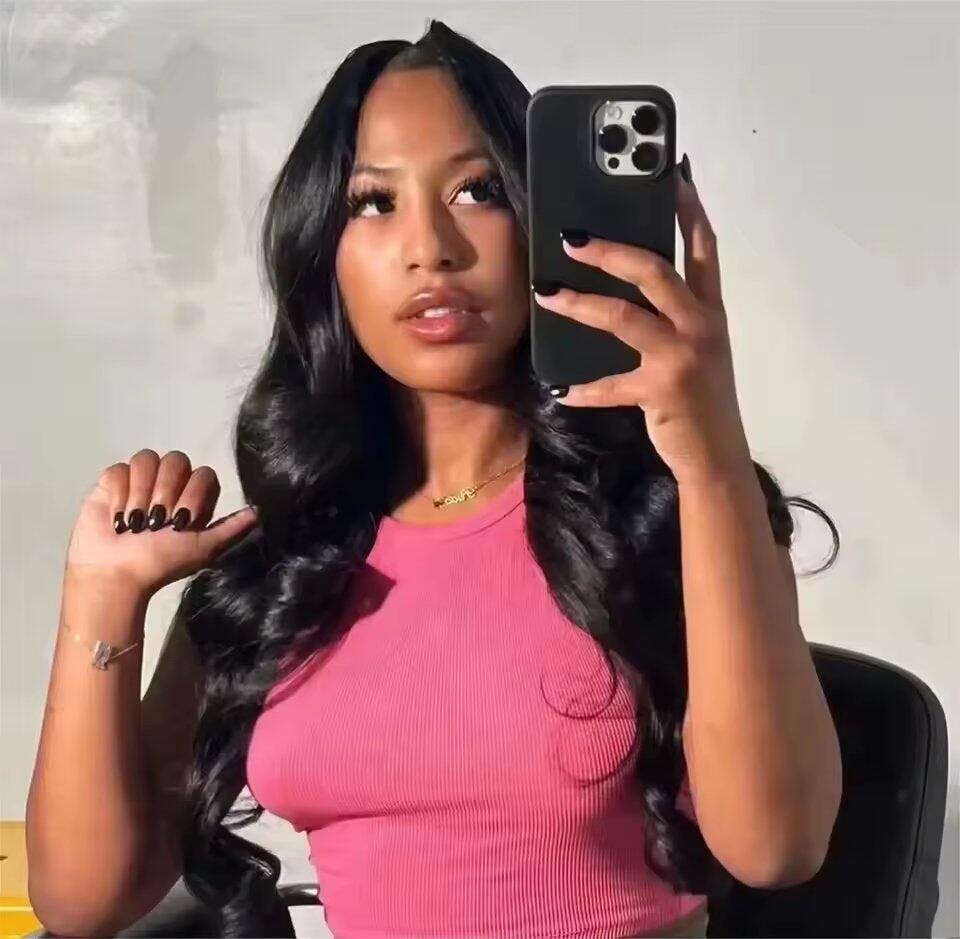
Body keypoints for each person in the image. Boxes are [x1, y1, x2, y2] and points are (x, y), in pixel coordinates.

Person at [27, 19, 841, 939]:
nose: (431, 247)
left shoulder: (668, 511)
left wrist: (713, 459)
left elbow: (778, 845)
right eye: (374, 202)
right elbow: (83, 900)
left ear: (542, 222)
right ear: (324, 252)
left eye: (477, 190)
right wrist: (101, 598)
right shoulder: (290, 558)